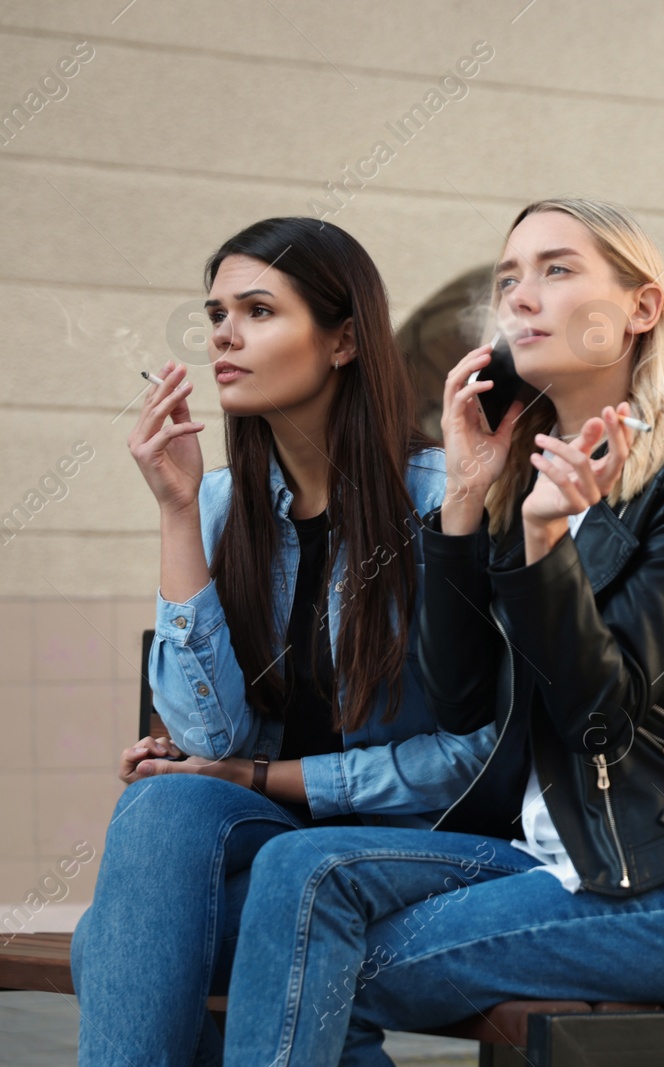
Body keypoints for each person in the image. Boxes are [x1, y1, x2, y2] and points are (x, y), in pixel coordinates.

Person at [215, 198, 664, 1064]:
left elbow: (599, 715)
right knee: (298, 874)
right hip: (559, 864)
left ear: (642, 310)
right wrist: (462, 499)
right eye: (507, 279)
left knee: (299, 961)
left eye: (556, 270)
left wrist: (542, 546)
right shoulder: (519, 484)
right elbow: (456, 703)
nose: (521, 297)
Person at [72, 217, 498, 1067]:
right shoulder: (226, 505)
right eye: (218, 313)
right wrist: (178, 510)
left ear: (343, 340)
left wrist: (260, 776)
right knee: (162, 804)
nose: (225, 334)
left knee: (113, 940)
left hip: (423, 844)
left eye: (259, 310)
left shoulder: (442, 497)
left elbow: (477, 752)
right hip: (280, 848)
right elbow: (211, 741)